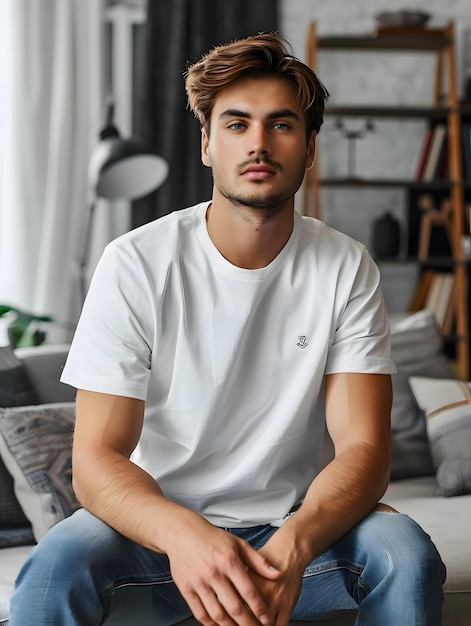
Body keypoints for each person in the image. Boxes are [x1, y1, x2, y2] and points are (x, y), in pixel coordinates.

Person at [10, 33, 445, 626]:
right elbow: (95, 460)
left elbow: (365, 447)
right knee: (57, 565)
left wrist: (295, 545)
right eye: (237, 124)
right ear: (208, 144)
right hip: (157, 528)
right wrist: (185, 535)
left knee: (406, 555)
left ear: (310, 147)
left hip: (293, 524)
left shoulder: (346, 266)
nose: (259, 144)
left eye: (281, 125)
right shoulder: (135, 262)